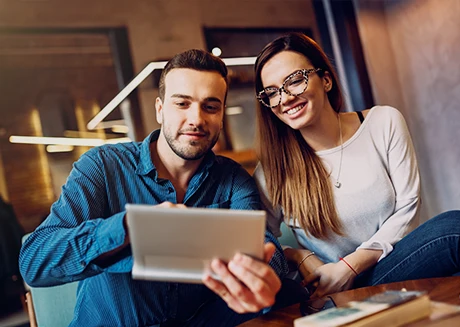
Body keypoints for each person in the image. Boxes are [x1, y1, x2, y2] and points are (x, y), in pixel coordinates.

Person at [19, 49, 289, 327]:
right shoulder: (102, 166)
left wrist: (259, 275)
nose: (196, 119)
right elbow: (34, 262)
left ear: (221, 114)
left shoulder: (233, 180)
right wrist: (129, 227)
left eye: (210, 106)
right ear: (160, 110)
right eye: (182, 104)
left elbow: (266, 253)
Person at [253, 32, 460, 299]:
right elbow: (261, 245)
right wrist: (298, 256)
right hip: (338, 290)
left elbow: (409, 209)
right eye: (272, 92)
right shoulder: (273, 170)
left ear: (326, 80)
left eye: (295, 80)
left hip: (393, 263)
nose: (285, 98)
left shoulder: (383, 122)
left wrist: (350, 266)